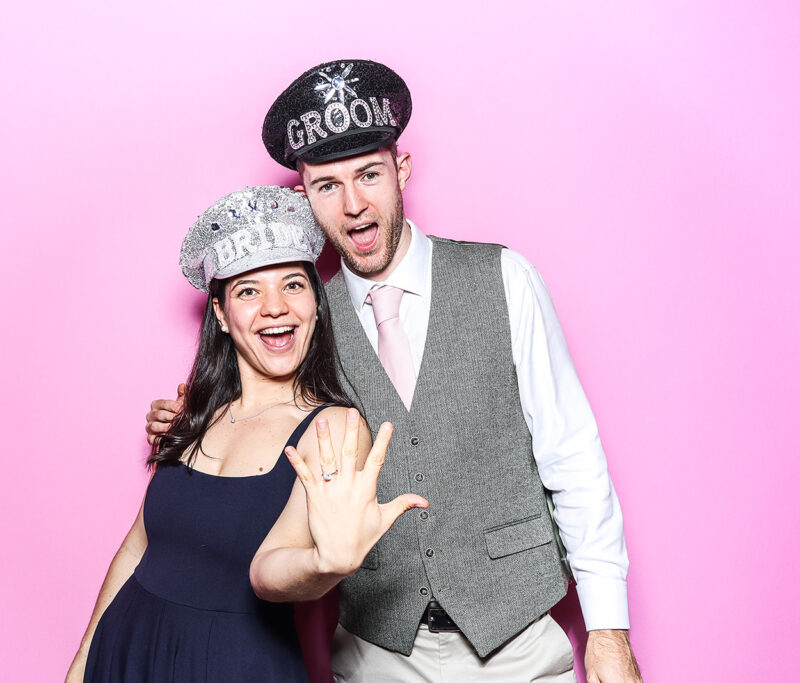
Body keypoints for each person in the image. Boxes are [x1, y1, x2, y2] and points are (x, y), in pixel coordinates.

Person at [148, 60, 644, 681]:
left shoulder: (503, 279)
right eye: (328, 186)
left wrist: (607, 631)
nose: (354, 205)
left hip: (517, 644)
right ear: (305, 197)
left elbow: (573, 456)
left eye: (369, 175)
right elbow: (264, 419)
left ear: (401, 169)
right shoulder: (304, 317)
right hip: (377, 654)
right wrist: (192, 421)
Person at [67, 185, 425, 683]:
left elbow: (270, 571)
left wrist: (326, 563)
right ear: (220, 314)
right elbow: (137, 547)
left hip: (233, 666)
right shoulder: (195, 410)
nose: (274, 307)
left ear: (317, 305)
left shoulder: (333, 429)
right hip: (126, 652)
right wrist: (83, 665)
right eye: (249, 291)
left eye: (293, 285)